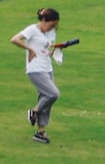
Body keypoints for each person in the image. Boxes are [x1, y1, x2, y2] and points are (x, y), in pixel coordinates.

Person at [11, 8, 67, 144]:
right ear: (43, 20)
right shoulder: (32, 29)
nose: (52, 28)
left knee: (45, 98)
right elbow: (14, 39)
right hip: (35, 69)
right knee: (53, 94)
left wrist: (55, 51)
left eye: (54, 26)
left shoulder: (51, 32)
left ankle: (41, 132)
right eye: (51, 25)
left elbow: (45, 49)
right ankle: (34, 112)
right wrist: (29, 49)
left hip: (47, 67)